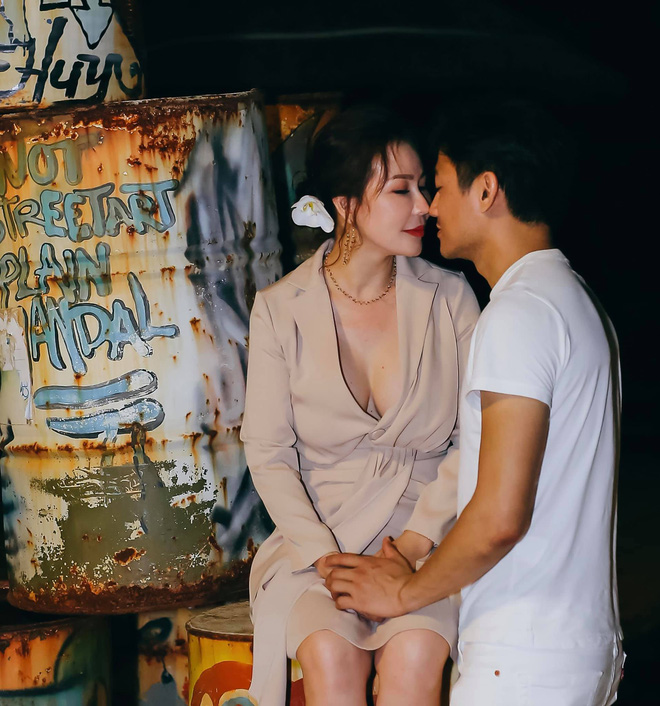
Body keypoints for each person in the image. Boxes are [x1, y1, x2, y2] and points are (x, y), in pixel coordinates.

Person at [325, 100, 624, 706]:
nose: (430, 207)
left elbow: (497, 519)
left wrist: (404, 593)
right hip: (573, 648)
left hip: (523, 660)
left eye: (438, 187)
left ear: (486, 190)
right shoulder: (573, 299)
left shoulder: (518, 315)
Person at [240, 106, 480, 706]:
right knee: (328, 652)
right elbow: (267, 451)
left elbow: (476, 436)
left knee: (416, 652)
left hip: (424, 547)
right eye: (401, 190)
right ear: (345, 204)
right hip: (319, 549)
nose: (425, 205)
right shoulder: (281, 308)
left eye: (423, 187)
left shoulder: (451, 299)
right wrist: (325, 557)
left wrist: (416, 546)